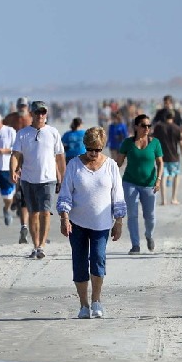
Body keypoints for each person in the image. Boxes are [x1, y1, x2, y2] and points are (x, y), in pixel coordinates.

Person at [57, 127, 126, 319]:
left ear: (102, 147)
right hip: (77, 223)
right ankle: (83, 305)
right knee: (79, 263)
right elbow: (65, 193)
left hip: (102, 224)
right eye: (89, 149)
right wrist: (64, 218)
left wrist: (119, 221)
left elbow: (117, 195)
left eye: (97, 149)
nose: (93, 153)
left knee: (97, 259)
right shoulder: (74, 165)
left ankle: (96, 301)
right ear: (84, 146)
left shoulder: (111, 165)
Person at [10, 101, 66, 259]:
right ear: (32, 114)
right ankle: (35, 246)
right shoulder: (23, 133)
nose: (41, 115)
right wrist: (13, 170)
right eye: (38, 112)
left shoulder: (53, 132)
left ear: (46, 114)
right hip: (28, 179)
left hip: (48, 179)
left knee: (46, 213)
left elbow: (60, 156)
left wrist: (63, 176)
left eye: (43, 112)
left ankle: (42, 246)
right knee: (33, 213)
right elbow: (16, 155)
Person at [115, 114, 163, 254]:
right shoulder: (128, 143)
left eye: (149, 126)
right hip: (130, 183)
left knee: (150, 216)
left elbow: (160, 163)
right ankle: (135, 244)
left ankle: (149, 235)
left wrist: (158, 180)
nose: (147, 128)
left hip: (150, 184)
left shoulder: (155, 143)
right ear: (136, 127)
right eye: (143, 125)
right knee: (133, 214)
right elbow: (118, 163)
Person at [3, 97, 33, 243]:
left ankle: (17, 201)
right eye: (20, 105)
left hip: (30, 155)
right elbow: (1, 127)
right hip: (15, 154)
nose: (22, 108)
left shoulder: (32, 117)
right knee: (18, 184)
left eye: (24, 105)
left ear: (27, 106)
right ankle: (17, 201)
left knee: (27, 188)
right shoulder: (11, 117)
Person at [151, 110, 182, 205]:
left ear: (164, 117)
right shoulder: (177, 128)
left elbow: (152, 139)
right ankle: (174, 198)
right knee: (176, 176)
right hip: (174, 157)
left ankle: (164, 200)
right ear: (173, 117)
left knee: (163, 177)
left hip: (161, 157)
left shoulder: (159, 128)